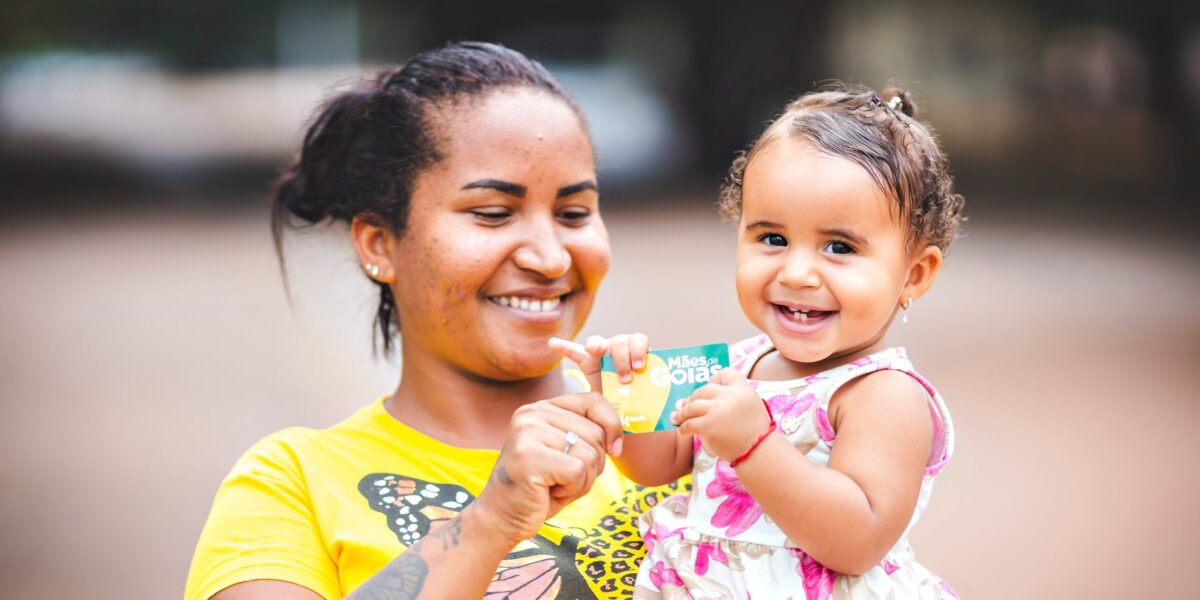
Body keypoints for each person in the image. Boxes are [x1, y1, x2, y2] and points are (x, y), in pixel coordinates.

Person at [184, 41, 686, 600]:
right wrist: (491, 520)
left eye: (574, 214)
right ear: (380, 244)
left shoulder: (684, 449)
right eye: (493, 214)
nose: (550, 258)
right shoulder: (292, 483)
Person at [553, 86, 965, 598]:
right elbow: (661, 466)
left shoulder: (884, 395)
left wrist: (754, 445)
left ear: (914, 275)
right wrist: (626, 393)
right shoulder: (742, 362)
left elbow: (857, 542)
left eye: (839, 247)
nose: (796, 272)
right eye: (772, 238)